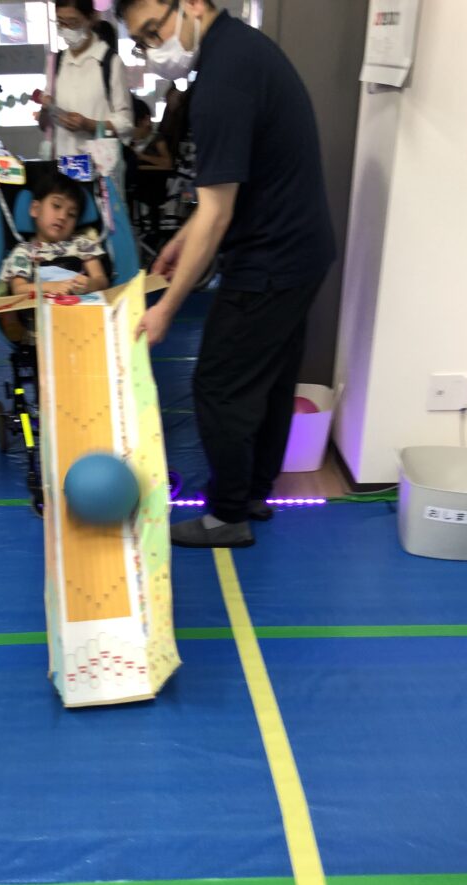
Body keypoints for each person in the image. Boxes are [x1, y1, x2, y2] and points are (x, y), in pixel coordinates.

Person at [117, 0, 335, 548]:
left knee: (218, 383)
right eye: (142, 40)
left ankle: (227, 514)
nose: (154, 48)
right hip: (301, 251)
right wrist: (180, 240)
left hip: (270, 257)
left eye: (154, 30)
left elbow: (217, 213)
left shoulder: (222, 79)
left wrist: (166, 307)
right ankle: (254, 492)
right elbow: (227, 191)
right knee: (271, 379)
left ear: (191, 4)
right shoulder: (242, 51)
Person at [40, 0, 133, 159]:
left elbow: (126, 124)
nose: (66, 29)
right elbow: (44, 125)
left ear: (91, 18)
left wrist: (89, 125)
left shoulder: (110, 61)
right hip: (63, 163)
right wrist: (45, 107)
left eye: (73, 22)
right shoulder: (56, 61)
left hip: (99, 165)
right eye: (60, 22)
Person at [0, 171, 109, 296]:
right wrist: (51, 286)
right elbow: (19, 289)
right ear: (35, 209)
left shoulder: (82, 244)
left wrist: (90, 285)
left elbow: (101, 280)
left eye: (71, 214)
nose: (62, 217)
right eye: (56, 206)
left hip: (81, 304)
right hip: (42, 306)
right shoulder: (24, 251)